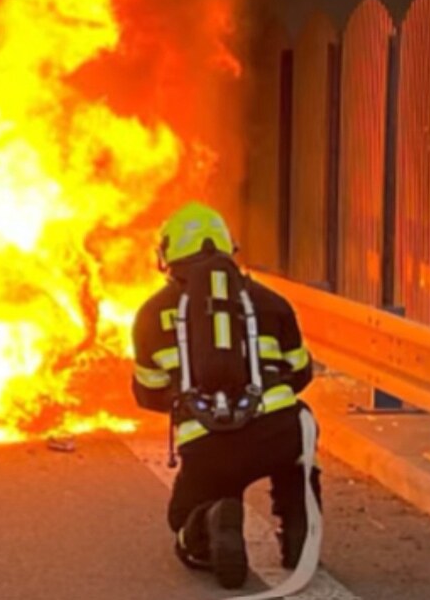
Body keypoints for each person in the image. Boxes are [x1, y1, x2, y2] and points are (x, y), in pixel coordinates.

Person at [131, 203, 321, 592]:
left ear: (167, 254)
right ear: (227, 247)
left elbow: (148, 393)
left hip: (206, 443)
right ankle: (298, 525)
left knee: (183, 523)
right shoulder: (271, 301)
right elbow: (300, 370)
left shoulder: (150, 313)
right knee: (296, 441)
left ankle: (212, 517)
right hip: (276, 433)